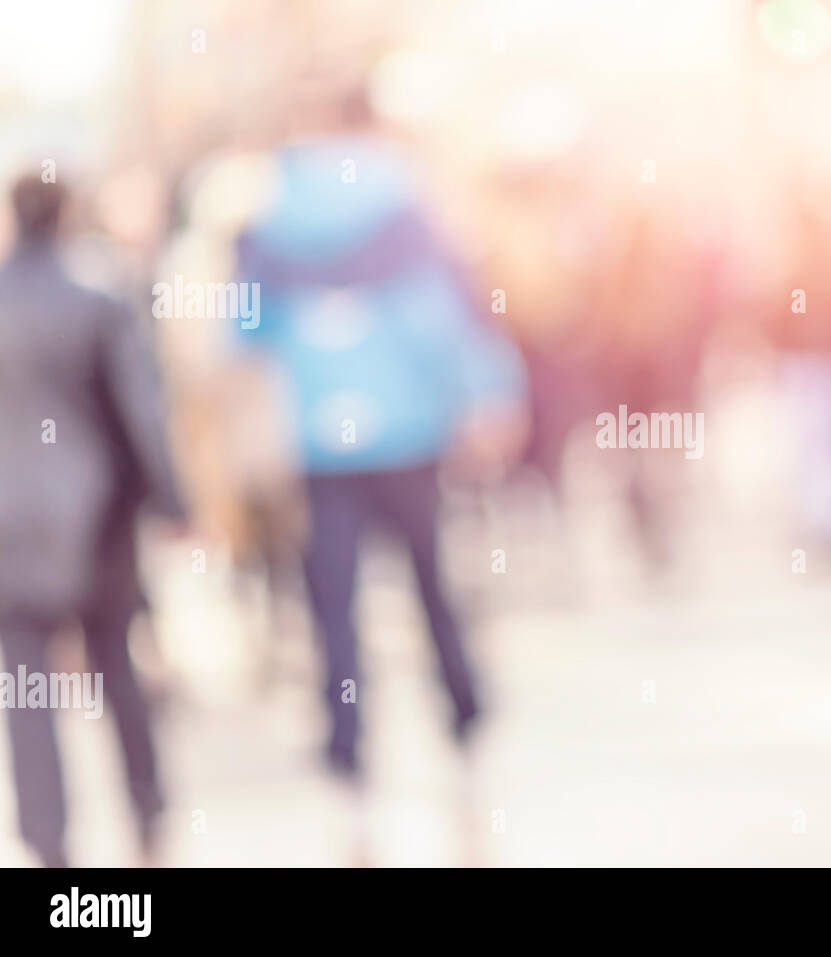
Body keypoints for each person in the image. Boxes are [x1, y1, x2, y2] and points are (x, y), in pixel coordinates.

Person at [234, 85, 527, 780]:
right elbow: (447, 315)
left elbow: (243, 330)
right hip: (408, 427)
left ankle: (346, 741)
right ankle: (461, 713)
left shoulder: (268, 212)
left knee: (333, 598)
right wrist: (485, 394)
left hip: (318, 434)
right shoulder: (406, 200)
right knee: (431, 579)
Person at [0, 173, 186, 866]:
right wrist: (172, 499)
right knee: (118, 670)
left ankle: (48, 840)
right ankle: (146, 813)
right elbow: (143, 410)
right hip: (96, 521)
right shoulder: (100, 296)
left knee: (25, 689)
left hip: (11, 527)